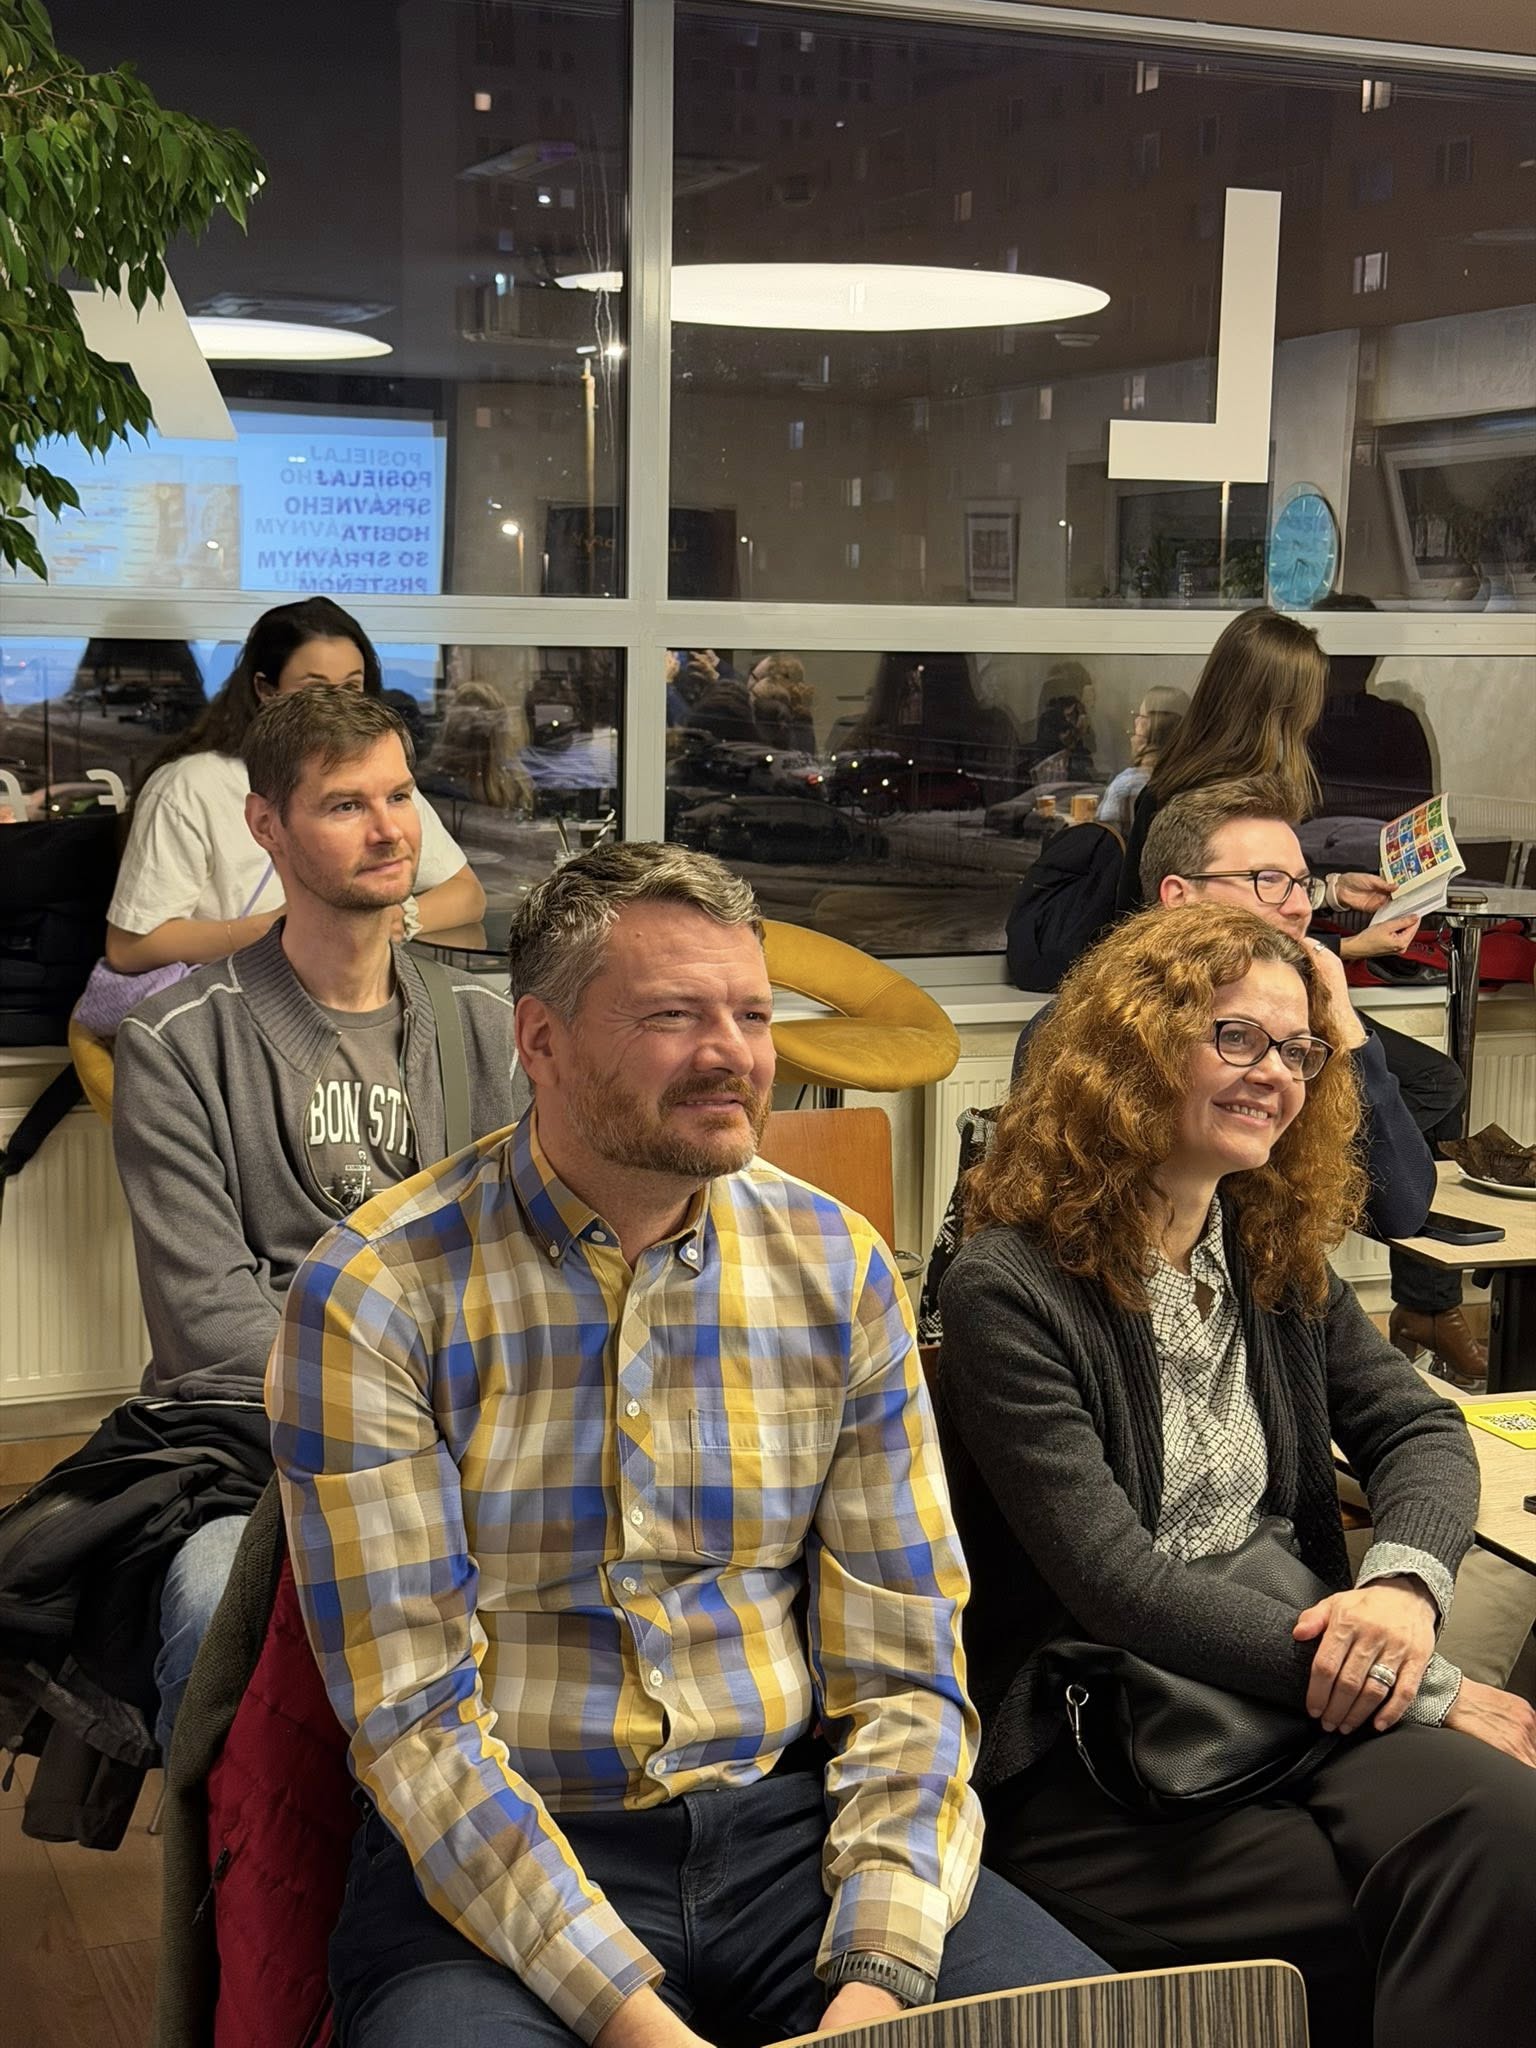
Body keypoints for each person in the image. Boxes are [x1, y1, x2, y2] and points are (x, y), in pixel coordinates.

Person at [267, 841, 1107, 2048]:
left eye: (753, 1013)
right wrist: (639, 2023)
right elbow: (417, 1723)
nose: (736, 1054)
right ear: (541, 1040)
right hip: (500, 1854)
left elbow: (906, 1669)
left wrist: (876, 1979)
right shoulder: (378, 1289)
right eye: (674, 1014)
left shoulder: (839, 1266)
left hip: (791, 1835)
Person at [937, 903, 1536, 2048]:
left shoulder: (1266, 1244)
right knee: (1375, 1912)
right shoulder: (1008, 1287)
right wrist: (1422, 1684)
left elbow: (1420, 1424)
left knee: (1511, 1838)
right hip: (1095, 1727)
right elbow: (1115, 1583)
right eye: (1238, 1037)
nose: (1278, 1073)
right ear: (1137, 1045)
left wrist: (1403, 1587)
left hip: (1288, 1685)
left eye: (1298, 1048)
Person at [113, 687, 517, 1749]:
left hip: (478, 1443)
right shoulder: (177, 1044)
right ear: (267, 825)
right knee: (211, 1608)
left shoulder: (488, 1026)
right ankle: (228, 1860)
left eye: (400, 795)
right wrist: (396, 1431)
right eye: (346, 805)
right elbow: (208, 1322)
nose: (390, 830)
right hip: (262, 1457)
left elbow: (532, 1261)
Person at [1113, 609, 1486, 1387]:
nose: (1298, 906)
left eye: (1300, 884)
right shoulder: (1184, 810)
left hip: (1269, 1302)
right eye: (1270, 882)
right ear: (1179, 895)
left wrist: (1342, 1017)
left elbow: (1403, 1209)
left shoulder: (1300, 1039)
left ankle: (1425, 1306)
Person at [105, 596, 485, 974]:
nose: (335, 706)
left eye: (351, 687)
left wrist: (396, 919)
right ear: (263, 822)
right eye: (314, 689)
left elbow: (466, 893)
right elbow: (129, 947)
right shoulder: (192, 787)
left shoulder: (377, 775)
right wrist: (277, 930)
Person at [1096, 684, 1188, 829]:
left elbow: (1106, 834)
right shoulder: (1192, 779)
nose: (1136, 721)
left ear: (1153, 727)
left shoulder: (1125, 785)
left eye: (1141, 716)